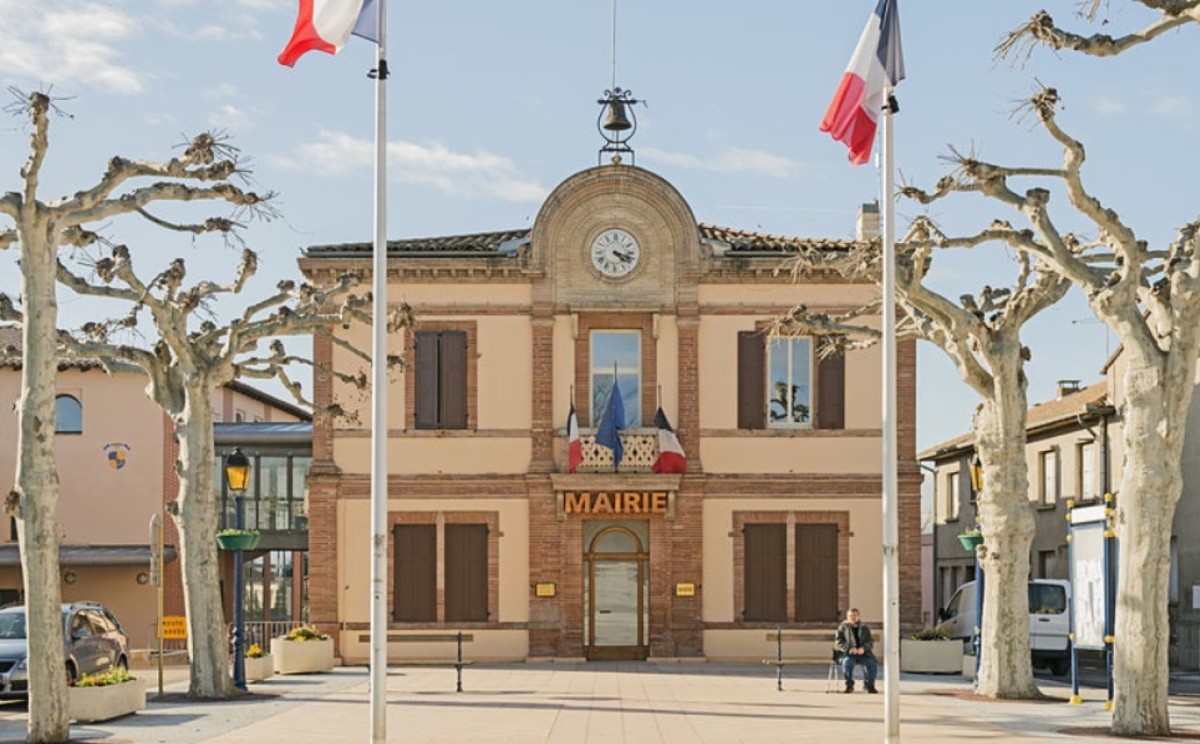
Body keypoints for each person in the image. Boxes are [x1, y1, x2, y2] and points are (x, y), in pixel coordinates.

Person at [834, 607, 878, 693]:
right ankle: (849, 685)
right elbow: (838, 641)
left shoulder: (864, 628)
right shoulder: (842, 627)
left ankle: (869, 685)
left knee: (872, 664)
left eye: (855, 615)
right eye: (851, 616)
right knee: (847, 663)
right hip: (849, 653)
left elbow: (870, 641)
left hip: (863, 653)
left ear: (858, 616)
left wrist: (864, 648)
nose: (853, 617)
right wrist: (849, 649)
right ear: (847, 617)